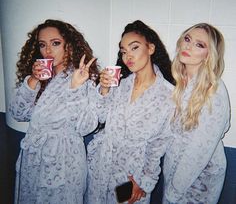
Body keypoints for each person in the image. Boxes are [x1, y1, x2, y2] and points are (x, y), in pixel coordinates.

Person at [9, 19, 100, 204]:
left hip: (63, 162)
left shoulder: (83, 76)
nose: (48, 51)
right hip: (34, 159)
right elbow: (18, 113)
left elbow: (85, 126)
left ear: (69, 46)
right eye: (42, 45)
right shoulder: (43, 78)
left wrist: (75, 88)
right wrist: (33, 80)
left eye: (55, 43)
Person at [85, 20, 175, 204]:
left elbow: (158, 145)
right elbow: (100, 116)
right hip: (102, 164)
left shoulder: (168, 95)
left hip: (131, 175)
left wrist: (143, 183)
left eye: (134, 48)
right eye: (123, 51)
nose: (128, 56)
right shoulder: (121, 84)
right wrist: (104, 89)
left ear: (150, 48)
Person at [162, 23, 231, 204]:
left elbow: (199, 150)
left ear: (209, 55)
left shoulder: (214, 90)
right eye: (187, 39)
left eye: (199, 45)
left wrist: (174, 191)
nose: (188, 46)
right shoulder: (178, 82)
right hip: (173, 172)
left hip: (201, 179)